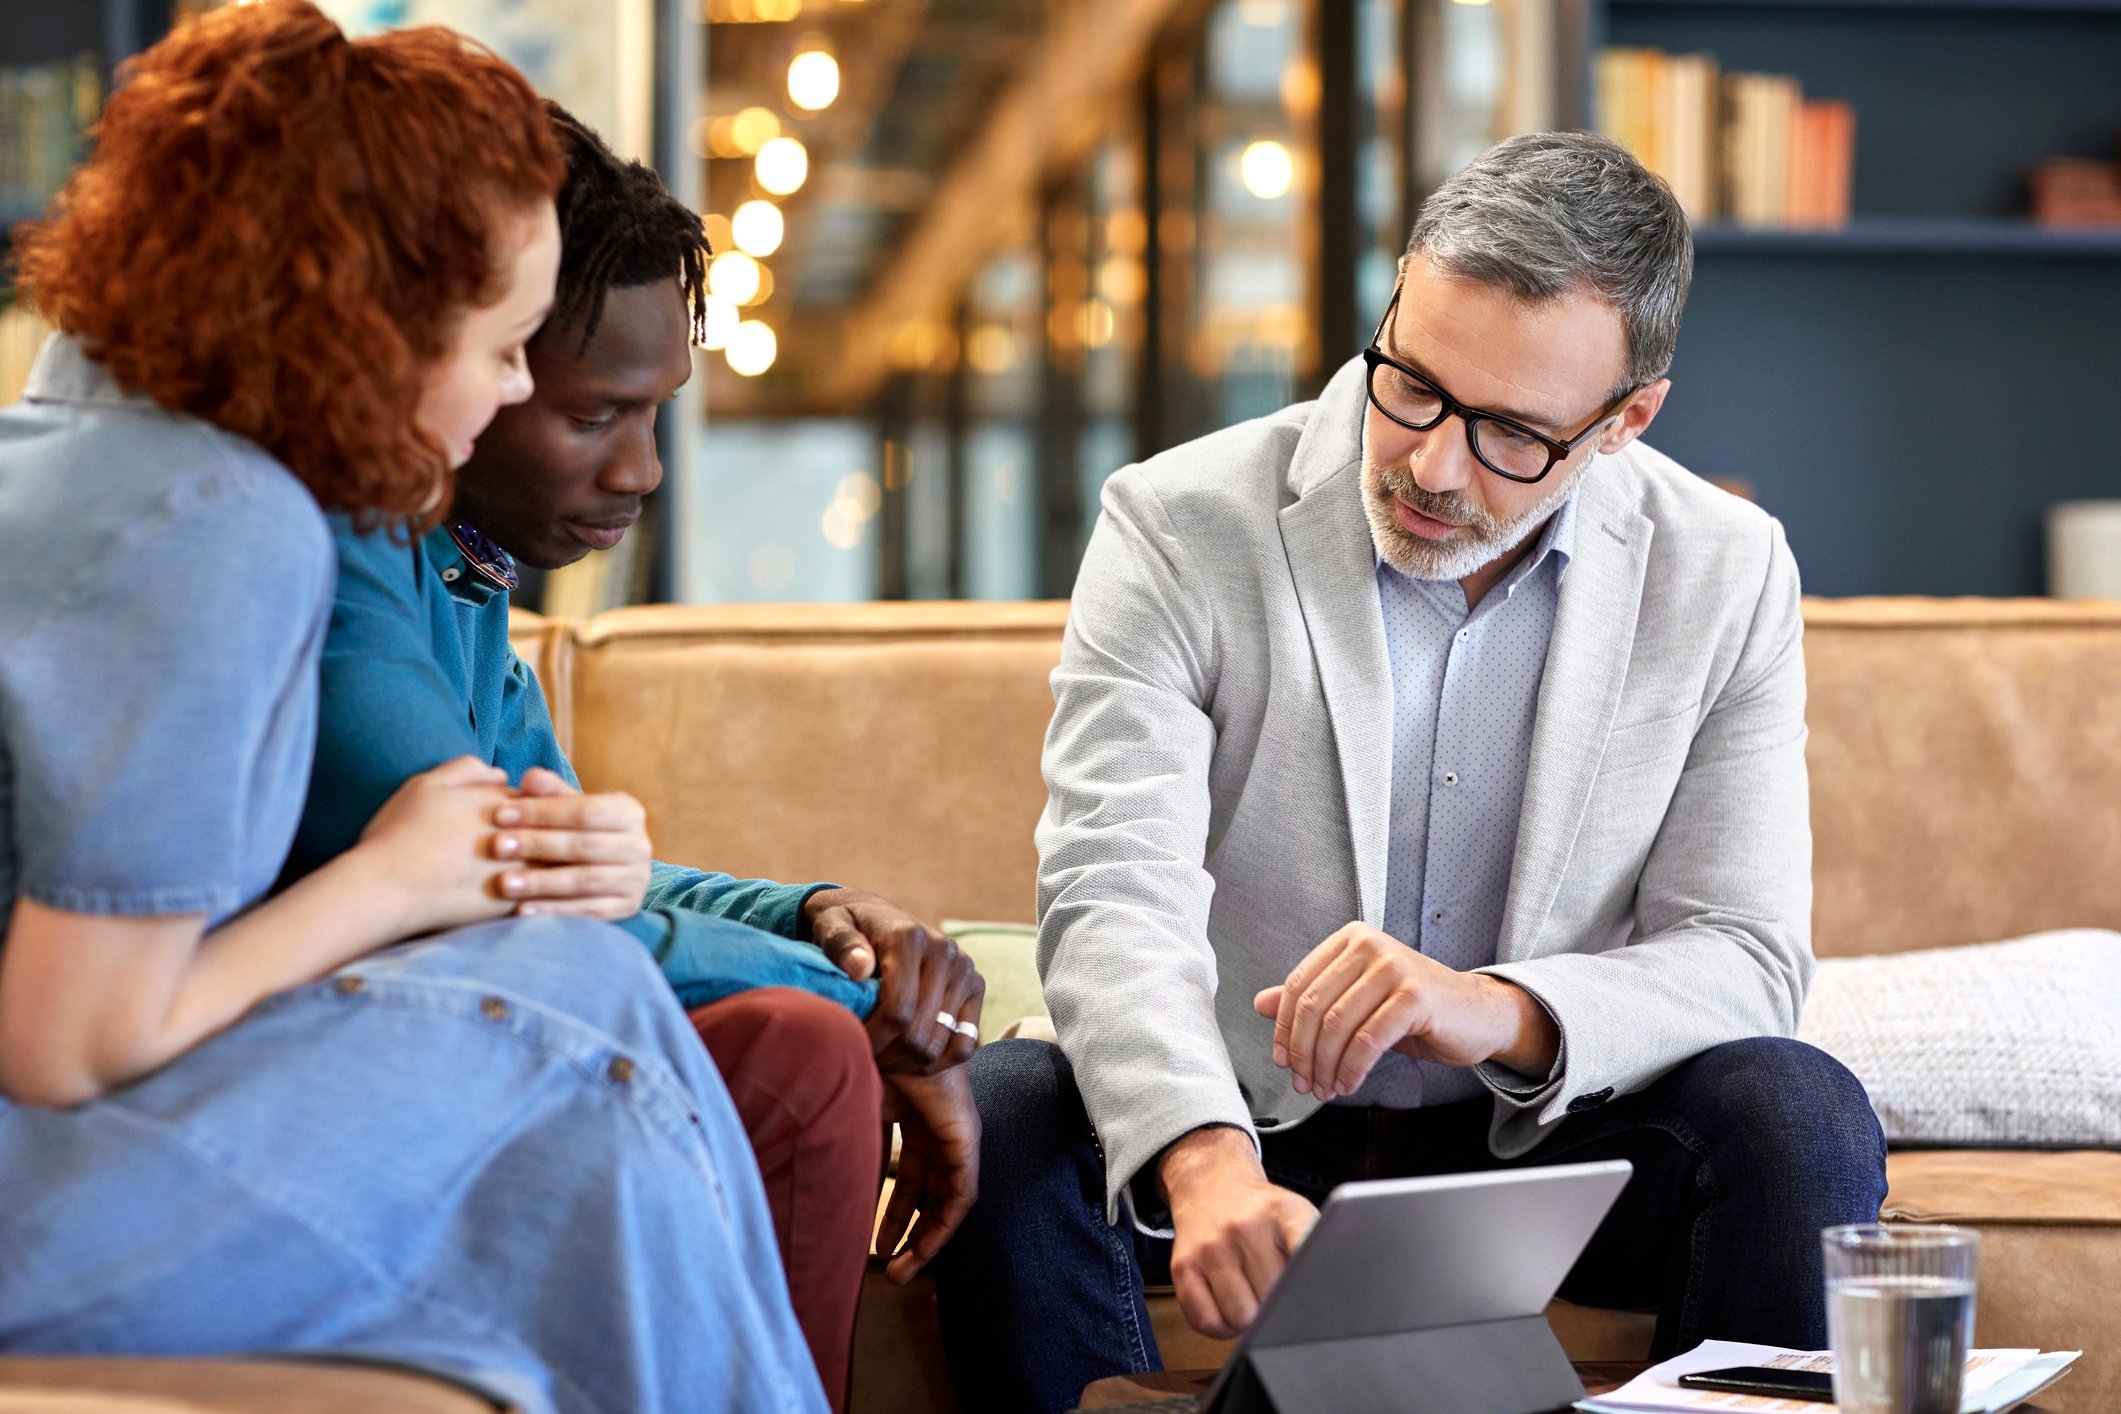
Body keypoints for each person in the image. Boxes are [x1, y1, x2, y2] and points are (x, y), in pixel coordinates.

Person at [931, 131, 1889, 1414]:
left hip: (1547, 1146)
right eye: (1414, 385)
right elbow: (1113, 892)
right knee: (1008, 1106)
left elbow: (1746, 950)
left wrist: (1487, 1006)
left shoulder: (1726, 568)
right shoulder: (1176, 524)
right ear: (1392, 307)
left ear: (1625, 420)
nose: (1433, 466)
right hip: (1255, 1126)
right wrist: (1203, 1158)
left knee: (1798, 1103)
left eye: (1511, 435)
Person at [0, 6, 828, 1411]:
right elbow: (66, 1036)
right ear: (372, 318)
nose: (513, 385)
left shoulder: (71, 442)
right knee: (587, 1001)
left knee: (584, 1030)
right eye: (506, 344)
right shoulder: (225, 518)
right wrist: (396, 876)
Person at [285, 106, 982, 1410]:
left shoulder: (462, 566)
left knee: (796, 1031)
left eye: (658, 410)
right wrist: (870, 1010)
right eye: (594, 409)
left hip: (427, 1047)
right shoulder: (339, 559)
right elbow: (502, 914)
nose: (646, 468)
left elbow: (588, 883)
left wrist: (820, 921)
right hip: (310, 1089)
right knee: (800, 1050)